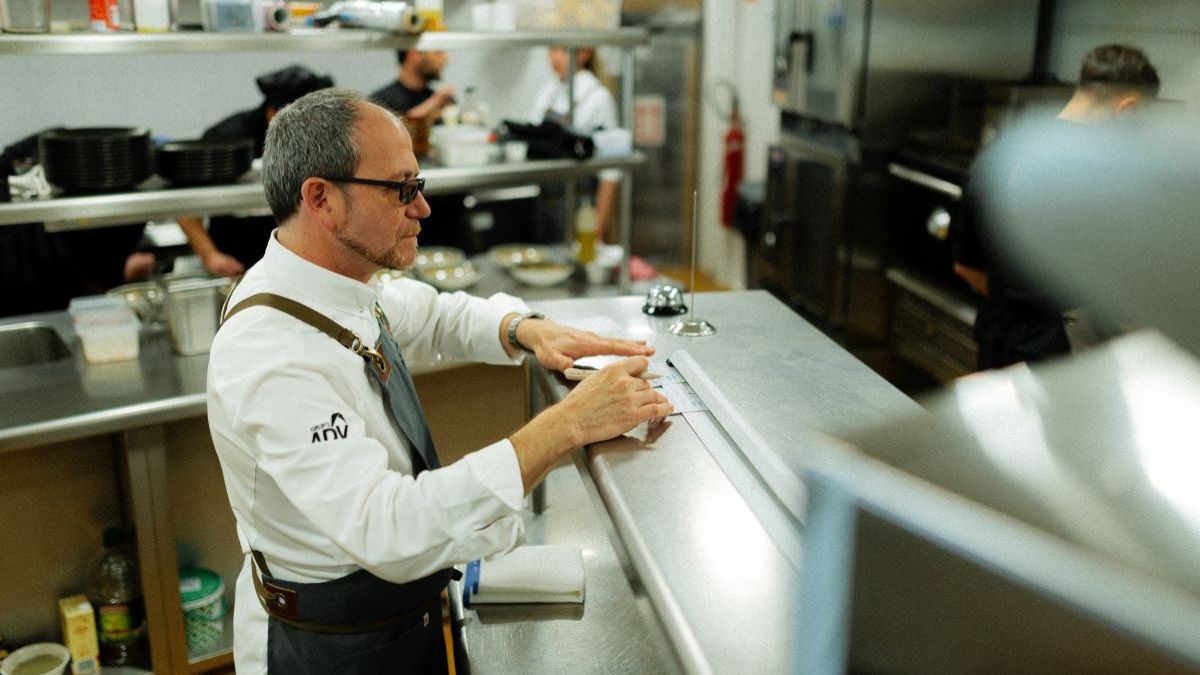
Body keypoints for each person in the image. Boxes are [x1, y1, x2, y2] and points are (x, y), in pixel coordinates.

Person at [207, 87, 672, 674]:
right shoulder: (269, 351)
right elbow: (388, 527)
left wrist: (525, 329)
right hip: (329, 646)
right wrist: (566, 426)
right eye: (401, 189)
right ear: (321, 198)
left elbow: (432, 315)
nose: (422, 208)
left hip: (400, 617)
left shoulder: (339, 284)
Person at [952, 44, 1159, 370]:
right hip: (1063, 354)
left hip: (998, 340)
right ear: (1126, 108)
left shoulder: (1002, 150)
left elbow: (967, 267)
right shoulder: (1115, 175)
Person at [177, 65, 334, 277]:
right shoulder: (226, 140)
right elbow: (186, 206)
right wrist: (210, 255)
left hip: (292, 265)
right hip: (235, 266)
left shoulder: (316, 139)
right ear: (274, 113)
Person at [530, 46, 621, 243]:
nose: (554, 57)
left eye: (562, 50)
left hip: (579, 203)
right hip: (544, 201)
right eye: (552, 49)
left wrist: (597, 230)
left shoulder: (598, 97)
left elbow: (611, 170)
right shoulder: (547, 92)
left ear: (584, 54)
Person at [370, 49, 456, 122]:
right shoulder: (379, 103)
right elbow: (396, 131)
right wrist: (433, 103)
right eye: (437, 52)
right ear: (413, 54)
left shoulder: (443, 101)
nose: (446, 58)